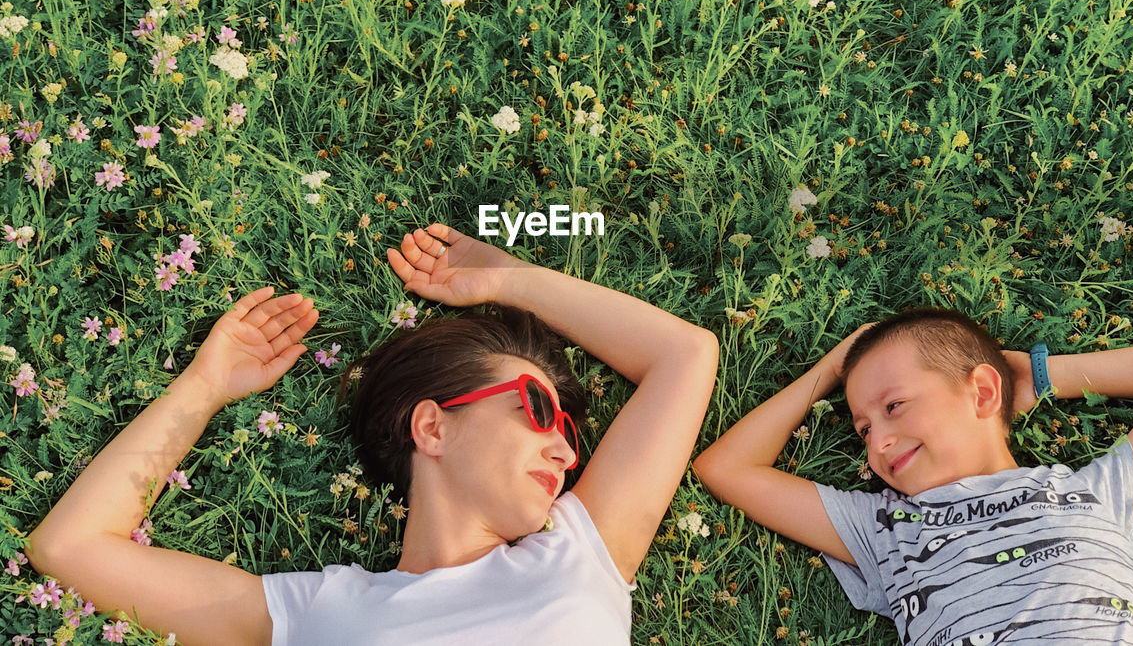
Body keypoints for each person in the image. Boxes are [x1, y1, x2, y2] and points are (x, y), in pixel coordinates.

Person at [27, 223, 719, 645]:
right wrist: (203, 389)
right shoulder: (318, 614)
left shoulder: (579, 558)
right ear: (432, 426)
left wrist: (508, 280)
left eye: (566, 429)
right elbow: (70, 548)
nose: (567, 451)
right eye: (537, 412)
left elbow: (686, 355)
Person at [693, 307, 1133, 646]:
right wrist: (827, 372)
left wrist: (1042, 375)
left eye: (895, 406)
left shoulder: (1091, 494)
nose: (877, 442)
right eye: (862, 428)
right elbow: (726, 468)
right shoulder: (887, 528)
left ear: (980, 393)